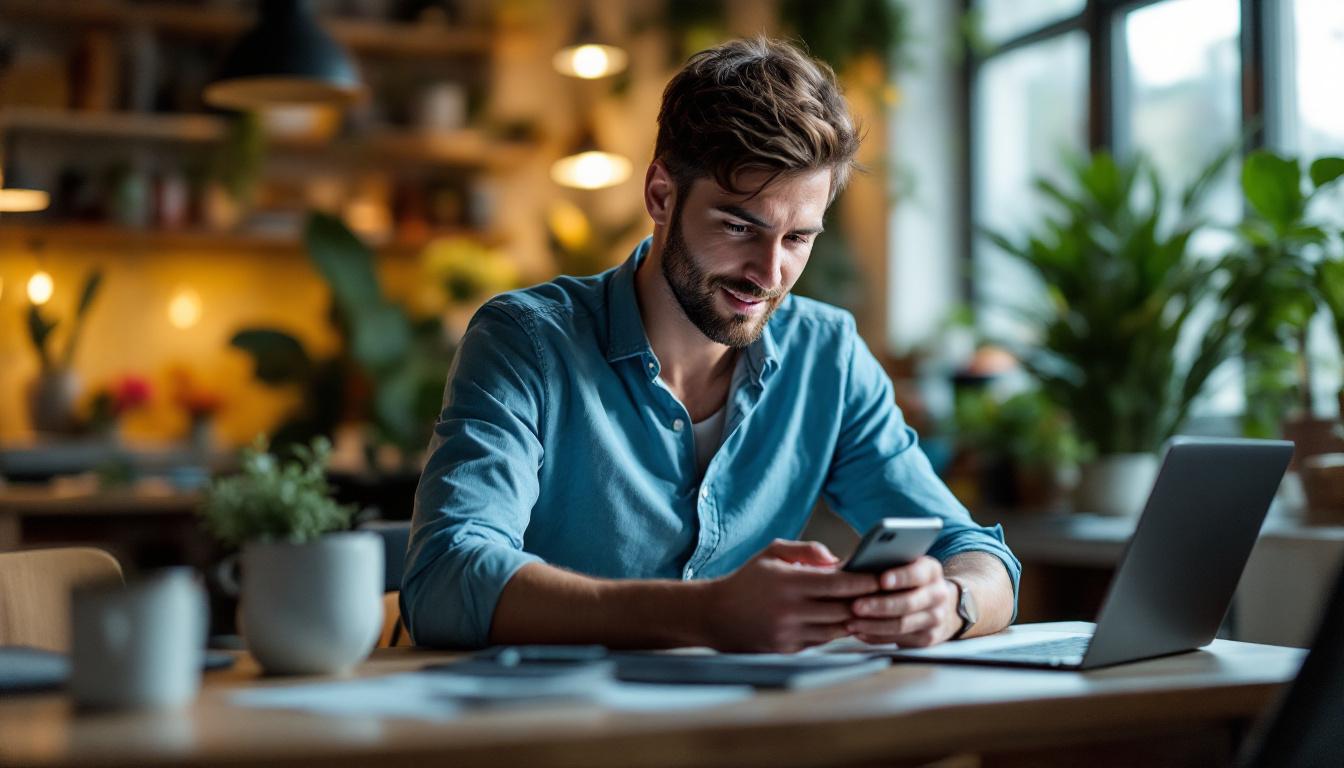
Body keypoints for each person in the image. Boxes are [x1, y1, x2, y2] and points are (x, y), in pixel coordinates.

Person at [402, 37, 1019, 651]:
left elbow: (979, 556)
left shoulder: (827, 355)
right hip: (558, 732)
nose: (768, 272)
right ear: (661, 196)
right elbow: (444, 580)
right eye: (738, 226)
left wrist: (948, 603)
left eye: (798, 239)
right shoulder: (527, 341)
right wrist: (705, 614)